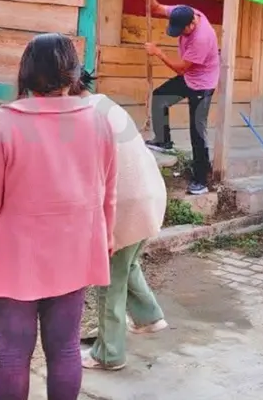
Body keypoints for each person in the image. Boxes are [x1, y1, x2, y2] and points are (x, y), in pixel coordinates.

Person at [0, 33, 118, 400]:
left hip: (15, 259)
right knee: (65, 350)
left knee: (13, 357)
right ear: (73, 74)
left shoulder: (5, 124)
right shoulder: (98, 121)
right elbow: (107, 191)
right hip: (74, 253)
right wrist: (106, 238)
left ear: (26, 73)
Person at [70, 70, 168, 372]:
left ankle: (108, 353)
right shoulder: (104, 103)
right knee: (127, 263)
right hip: (150, 196)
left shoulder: (80, 116)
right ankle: (149, 316)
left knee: (109, 280)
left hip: (125, 205)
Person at [141, 0, 220, 196]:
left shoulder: (202, 38)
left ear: (191, 24)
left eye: (181, 31)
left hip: (203, 84)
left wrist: (158, 53)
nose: (180, 35)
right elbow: (157, 8)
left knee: (197, 131)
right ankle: (163, 140)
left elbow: (181, 68)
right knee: (160, 97)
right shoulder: (182, 12)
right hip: (190, 76)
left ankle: (201, 181)